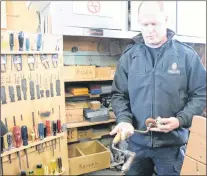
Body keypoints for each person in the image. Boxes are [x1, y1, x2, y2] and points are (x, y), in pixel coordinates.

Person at [110, 1, 206, 175]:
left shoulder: (186, 56)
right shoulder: (129, 57)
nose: (149, 30)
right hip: (136, 145)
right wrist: (123, 120)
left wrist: (180, 120)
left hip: (172, 146)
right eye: (144, 24)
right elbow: (119, 95)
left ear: (166, 20)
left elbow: (201, 94)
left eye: (154, 24)